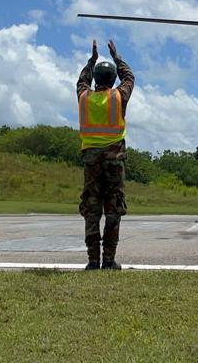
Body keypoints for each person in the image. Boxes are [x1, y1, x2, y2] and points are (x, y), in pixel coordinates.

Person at [77, 39, 134, 270]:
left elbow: (82, 80)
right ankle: (108, 261)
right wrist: (116, 56)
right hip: (114, 162)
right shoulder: (119, 97)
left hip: (91, 162)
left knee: (92, 210)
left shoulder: (84, 96)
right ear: (112, 80)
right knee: (113, 210)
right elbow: (129, 77)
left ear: (95, 79)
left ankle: (92, 261)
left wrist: (92, 60)